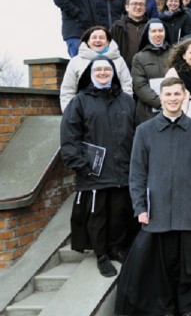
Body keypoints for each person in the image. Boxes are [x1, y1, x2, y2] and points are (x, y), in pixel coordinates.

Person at [115, 77, 191, 316]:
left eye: (176, 94)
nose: (172, 99)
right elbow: (137, 174)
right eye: (167, 95)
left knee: (188, 265)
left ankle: (187, 307)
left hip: (188, 209)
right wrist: (140, 207)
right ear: (161, 98)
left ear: (185, 96)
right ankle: (165, 307)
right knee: (160, 266)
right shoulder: (144, 131)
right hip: (156, 210)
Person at [60, 56, 137, 277]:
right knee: (97, 216)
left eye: (107, 69)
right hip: (94, 171)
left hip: (123, 170)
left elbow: (138, 132)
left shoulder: (127, 100)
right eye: (98, 70)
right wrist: (81, 165)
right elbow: (69, 136)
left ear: (113, 73)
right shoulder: (80, 101)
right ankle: (101, 255)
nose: (103, 72)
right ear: (91, 74)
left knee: (120, 213)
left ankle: (116, 249)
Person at [60, 26, 133, 112]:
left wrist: (125, 109)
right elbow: (68, 90)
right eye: (94, 38)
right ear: (87, 41)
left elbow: (126, 86)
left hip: (115, 111)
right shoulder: (76, 61)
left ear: (108, 42)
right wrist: (69, 113)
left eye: (102, 38)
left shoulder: (119, 60)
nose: (98, 40)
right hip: (84, 112)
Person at [131, 19, 172, 123]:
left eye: (160, 31)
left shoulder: (174, 53)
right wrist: (161, 102)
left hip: (174, 105)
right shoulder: (139, 57)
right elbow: (139, 85)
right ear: (147, 34)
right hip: (148, 110)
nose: (158, 34)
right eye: (153, 31)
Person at [111, 0, 149, 69]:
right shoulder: (117, 27)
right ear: (127, 7)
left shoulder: (151, 27)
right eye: (134, 4)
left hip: (146, 71)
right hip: (123, 70)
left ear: (145, 8)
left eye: (141, 4)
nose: (138, 7)